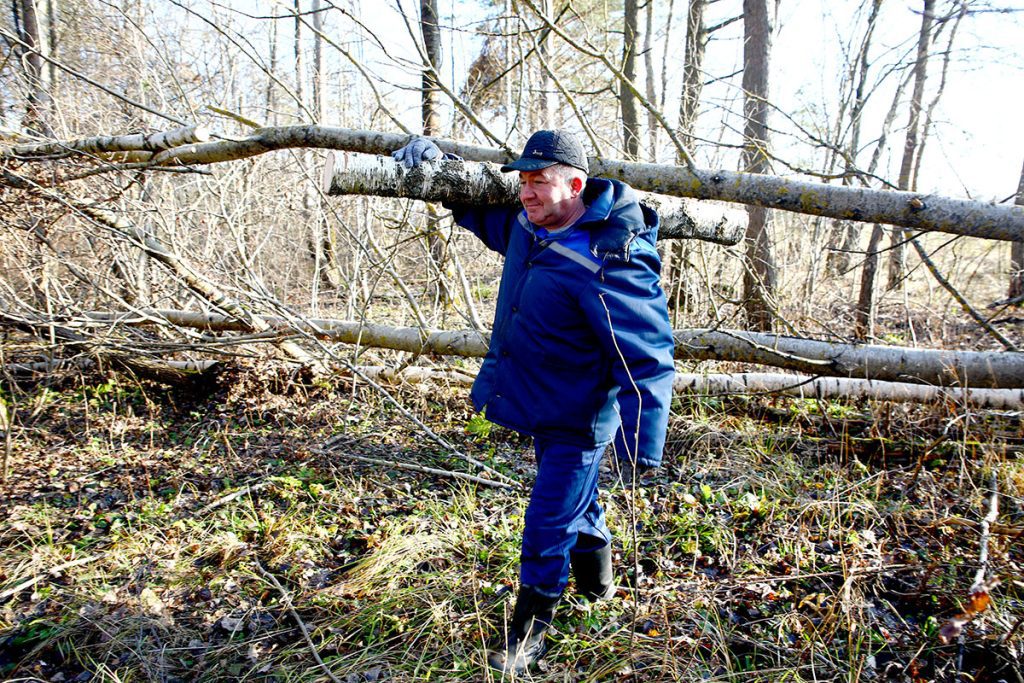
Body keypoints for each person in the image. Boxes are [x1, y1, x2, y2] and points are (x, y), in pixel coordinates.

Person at [393, 130, 675, 674]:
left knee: (547, 523)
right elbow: (477, 212)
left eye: (538, 181)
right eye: (522, 181)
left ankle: (527, 637)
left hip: (579, 419)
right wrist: (438, 168)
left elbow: (649, 354)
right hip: (542, 404)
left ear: (575, 184)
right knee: (573, 502)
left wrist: (642, 447)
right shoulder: (529, 227)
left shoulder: (608, 258)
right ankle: (598, 582)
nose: (526, 192)